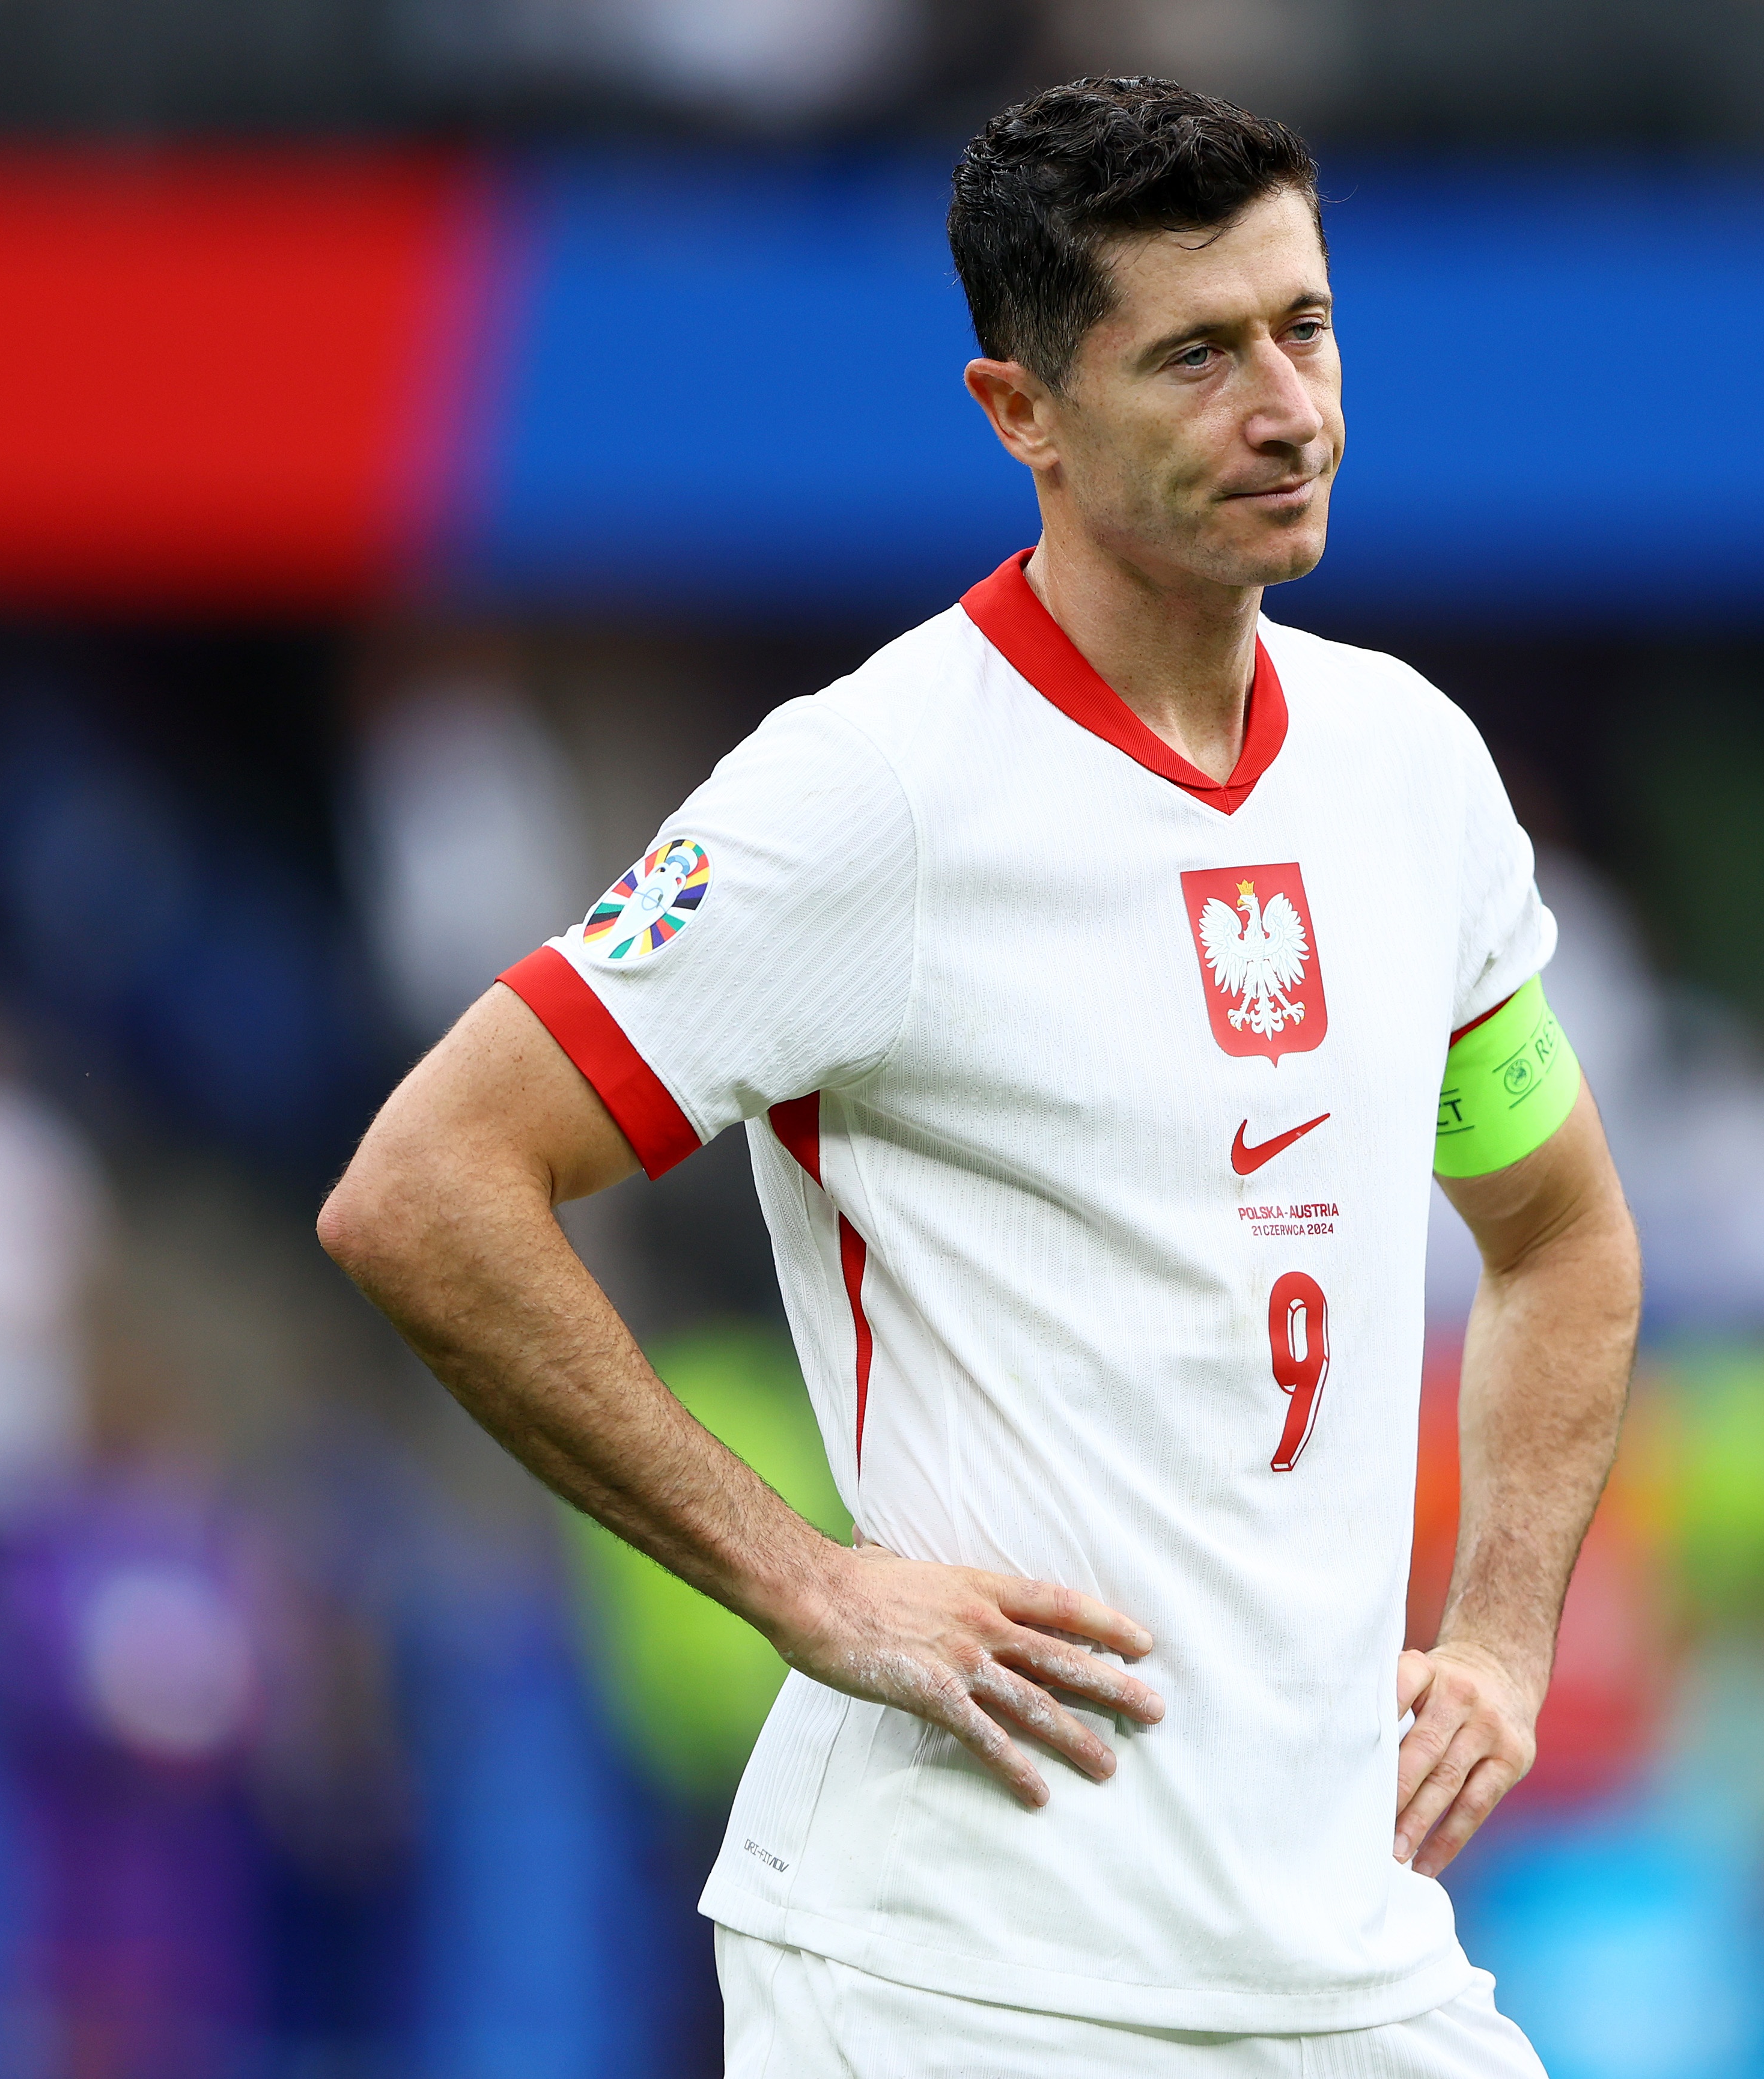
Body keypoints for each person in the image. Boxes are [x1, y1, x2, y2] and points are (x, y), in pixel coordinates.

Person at [318, 77, 1640, 2077]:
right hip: (961, 1968)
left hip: (1346, 1961)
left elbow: (1558, 1235)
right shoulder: (875, 793)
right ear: (1022, 412)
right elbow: (426, 1187)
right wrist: (809, 1583)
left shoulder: (1411, 771)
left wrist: (1504, 1636)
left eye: (1304, 326)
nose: (1286, 407)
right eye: (1196, 355)